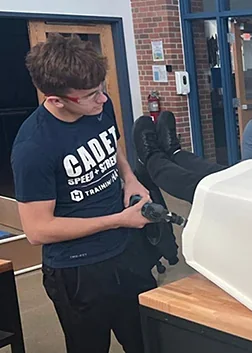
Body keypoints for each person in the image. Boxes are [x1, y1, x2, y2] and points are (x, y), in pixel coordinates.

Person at [11, 34, 155, 353]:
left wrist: (130, 178)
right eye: (90, 95)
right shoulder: (33, 148)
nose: (102, 99)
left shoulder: (99, 106)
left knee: (149, 341)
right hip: (78, 270)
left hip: (126, 250)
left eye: (101, 88)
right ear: (56, 100)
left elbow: (111, 144)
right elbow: (38, 230)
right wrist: (118, 219)